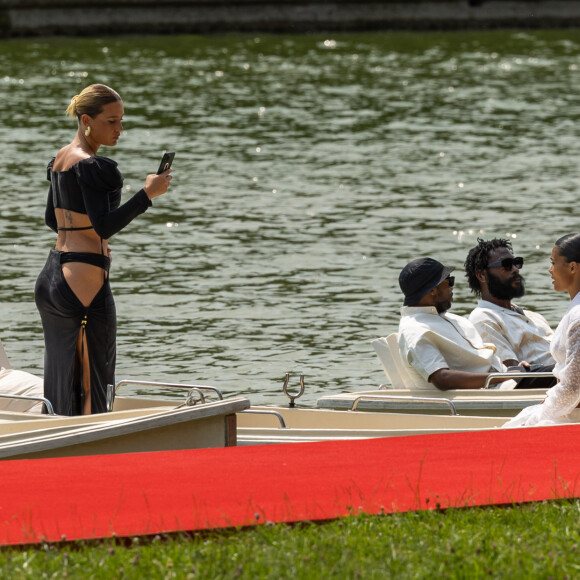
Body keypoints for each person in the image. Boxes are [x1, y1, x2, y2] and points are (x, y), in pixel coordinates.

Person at [35, 84, 172, 416]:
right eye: (111, 121)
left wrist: (88, 241)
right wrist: (147, 195)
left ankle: (51, 444)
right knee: (93, 379)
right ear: (86, 121)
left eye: (121, 120)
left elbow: (51, 219)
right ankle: (89, 452)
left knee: (60, 378)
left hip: (53, 275)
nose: (119, 129)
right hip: (83, 283)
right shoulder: (95, 166)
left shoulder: (60, 160)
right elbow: (104, 225)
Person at [397, 257, 518, 391]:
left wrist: (513, 371)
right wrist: (503, 377)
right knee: (544, 381)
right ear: (433, 290)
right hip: (495, 390)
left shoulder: (452, 318)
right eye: (449, 281)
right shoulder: (414, 330)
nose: (452, 287)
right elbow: (442, 379)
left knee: (543, 372)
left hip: (507, 380)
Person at [504, 234, 580, 427]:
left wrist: (535, 419)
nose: (550, 270)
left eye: (554, 263)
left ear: (572, 267)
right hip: (565, 405)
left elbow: (573, 387)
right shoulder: (575, 309)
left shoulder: (578, 316)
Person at [464, 238, 556, 388]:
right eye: (506, 265)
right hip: (535, 382)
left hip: (561, 374)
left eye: (516, 262)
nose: (515, 269)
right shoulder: (484, 318)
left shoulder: (532, 315)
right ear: (482, 275)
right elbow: (513, 373)